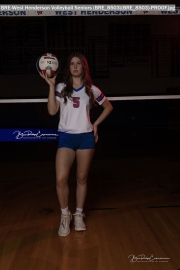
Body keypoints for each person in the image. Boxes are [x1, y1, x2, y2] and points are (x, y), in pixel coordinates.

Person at [40, 52, 113, 237]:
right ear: (68, 67)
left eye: (78, 63)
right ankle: (65, 215)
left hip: (86, 138)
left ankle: (79, 214)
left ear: (83, 67)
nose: (74, 66)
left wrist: (95, 124)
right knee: (61, 178)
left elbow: (109, 107)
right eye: (72, 63)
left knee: (82, 178)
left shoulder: (92, 90)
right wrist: (50, 86)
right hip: (66, 138)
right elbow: (51, 111)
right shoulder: (62, 87)